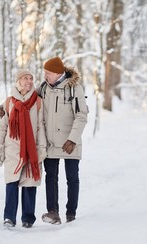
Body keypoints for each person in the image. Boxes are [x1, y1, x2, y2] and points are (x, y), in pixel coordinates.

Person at [0, 69, 46, 228]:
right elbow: (3, 127)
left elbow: (40, 127)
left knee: (30, 183)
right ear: (18, 81)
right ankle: (9, 217)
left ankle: (28, 218)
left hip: (31, 148)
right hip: (12, 148)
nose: (29, 81)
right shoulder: (9, 102)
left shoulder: (37, 102)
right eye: (25, 78)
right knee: (11, 183)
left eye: (31, 78)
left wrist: (41, 147)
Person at [39, 56, 88, 224]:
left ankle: (71, 213)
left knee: (72, 178)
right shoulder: (44, 88)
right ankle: (53, 212)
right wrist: (5, 107)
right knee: (50, 176)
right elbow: (27, 100)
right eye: (44, 72)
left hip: (69, 142)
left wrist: (73, 139)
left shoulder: (74, 88)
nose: (45, 76)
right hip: (51, 142)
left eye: (48, 73)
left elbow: (81, 116)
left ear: (58, 73)